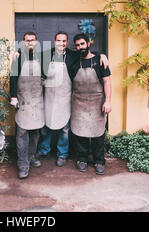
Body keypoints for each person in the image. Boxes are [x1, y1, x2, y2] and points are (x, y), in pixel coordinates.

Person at [38, 31, 109, 167]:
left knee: (65, 128)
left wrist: (102, 55)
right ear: (54, 41)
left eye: (64, 41)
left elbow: (88, 53)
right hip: (49, 96)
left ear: (67, 42)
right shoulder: (45, 55)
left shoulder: (73, 55)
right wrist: (16, 55)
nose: (62, 43)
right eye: (59, 41)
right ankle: (43, 150)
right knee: (46, 126)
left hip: (65, 98)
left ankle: (62, 154)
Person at [70, 33, 112, 175]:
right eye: (77, 45)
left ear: (88, 44)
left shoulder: (100, 61)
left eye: (82, 44)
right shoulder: (74, 60)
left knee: (98, 134)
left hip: (97, 102)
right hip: (78, 103)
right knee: (80, 133)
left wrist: (108, 101)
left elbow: (107, 81)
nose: (79, 47)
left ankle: (99, 161)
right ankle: (81, 159)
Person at [9, 32, 44, 179]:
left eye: (32, 40)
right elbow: (13, 77)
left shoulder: (43, 57)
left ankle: (30, 156)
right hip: (22, 100)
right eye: (27, 40)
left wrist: (100, 54)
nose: (30, 42)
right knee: (22, 132)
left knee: (35, 132)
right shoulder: (18, 58)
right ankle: (23, 164)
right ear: (23, 43)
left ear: (36, 42)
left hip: (37, 101)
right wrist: (13, 96)